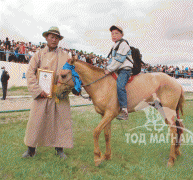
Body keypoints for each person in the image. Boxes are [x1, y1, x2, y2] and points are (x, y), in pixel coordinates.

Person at [22, 26, 73, 159]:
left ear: (59, 39)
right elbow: (30, 73)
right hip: (42, 95)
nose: (54, 39)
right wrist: (38, 91)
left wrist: (64, 88)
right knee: (35, 121)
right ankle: (31, 150)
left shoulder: (65, 56)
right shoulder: (38, 54)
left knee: (60, 121)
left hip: (58, 95)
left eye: (57, 37)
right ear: (46, 37)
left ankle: (59, 149)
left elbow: (70, 74)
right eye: (52, 37)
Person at [104, 25, 134, 120]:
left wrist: (109, 69)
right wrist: (107, 67)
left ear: (122, 34)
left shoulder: (123, 44)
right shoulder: (115, 46)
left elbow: (119, 60)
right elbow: (112, 60)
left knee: (120, 86)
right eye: (112, 34)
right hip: (117, 68)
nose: (114, 35)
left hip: (125, 69)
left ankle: (124, 110)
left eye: (117, 33)